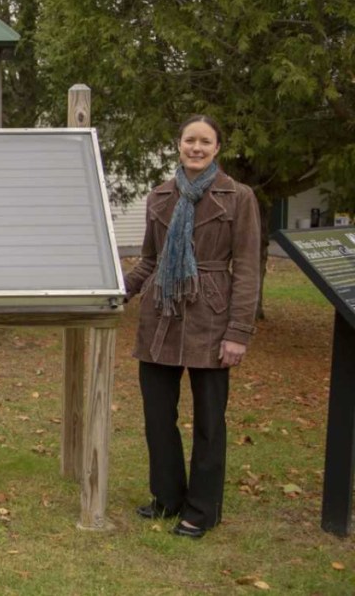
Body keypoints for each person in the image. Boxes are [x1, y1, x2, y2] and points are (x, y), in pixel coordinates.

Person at [123, 114, 260, 539]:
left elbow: (249, 268)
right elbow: (149, 259)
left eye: (205, 141)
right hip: (161, 317)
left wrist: (238, 332)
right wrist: (116, 289)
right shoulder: (160, 197)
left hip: (211, 317)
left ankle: (201, 510)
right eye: (189, 141)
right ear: (178, 145)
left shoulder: (238, 197)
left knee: (208, 421)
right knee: (157, 417)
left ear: (217, 148)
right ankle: (167, 497)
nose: (196, 148)